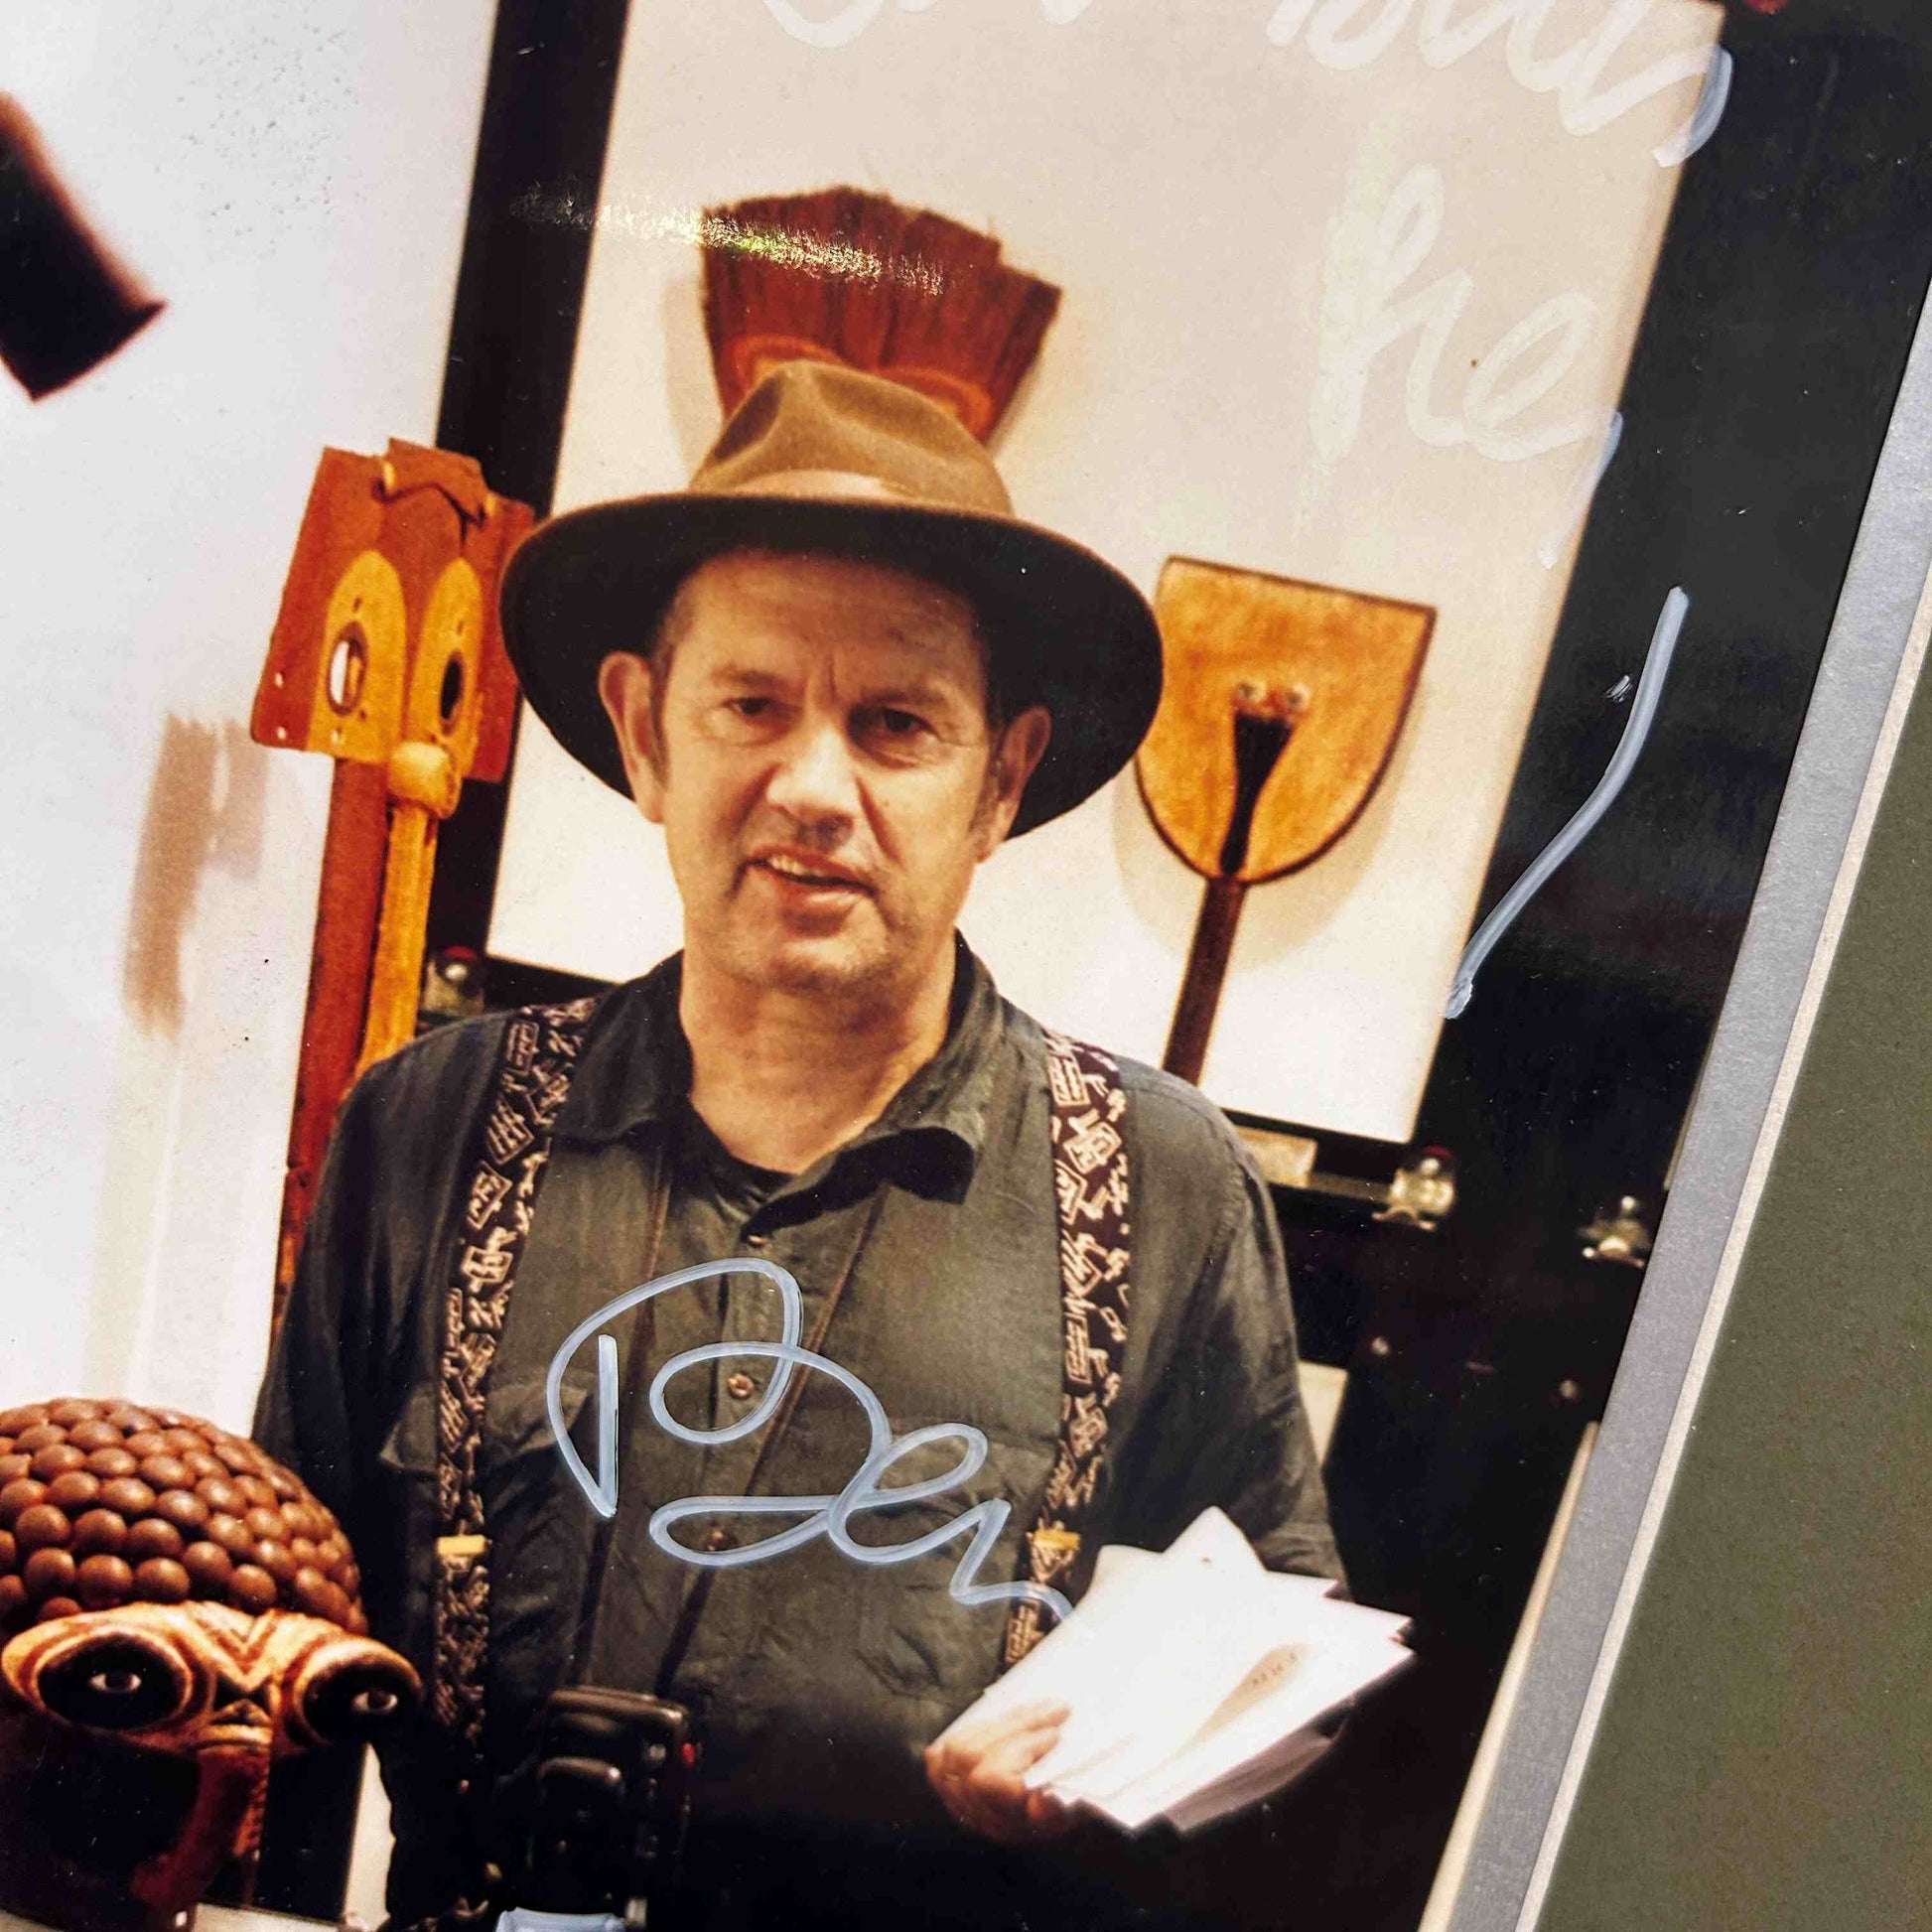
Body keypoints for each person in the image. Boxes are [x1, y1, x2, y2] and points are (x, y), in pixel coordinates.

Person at [255, 360, 1340, 1930]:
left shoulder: (1164, 1185)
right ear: (644, 732)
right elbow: (277, 1641)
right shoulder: (427, 1123)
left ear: (1001, 778)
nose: (814, 788)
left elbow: (1273, 1670)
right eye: (751, 705)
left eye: (896, 725)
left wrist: (1115, 1768)